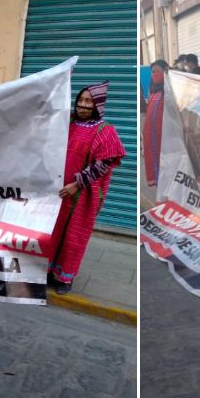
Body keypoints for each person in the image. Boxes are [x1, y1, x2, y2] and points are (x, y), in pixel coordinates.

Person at [48, 81, 126, 294]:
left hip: (82, 193)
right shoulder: (68, 123)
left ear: (97, 105)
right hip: (58, 191)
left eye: (88, 101)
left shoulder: (105, 130)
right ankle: (48, 271)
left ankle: (65, 278)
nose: (83, 105)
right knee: (52, 232)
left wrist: (77, 184)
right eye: (80, 100)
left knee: (74, 237)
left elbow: (105, 163)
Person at [143, 60, 169, 187]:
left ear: (165, 71)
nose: (155, 74)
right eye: (153, 72)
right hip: (153, 140)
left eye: (158, 71)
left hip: (165, 139)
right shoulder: (154, 93)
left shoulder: (169, 92)